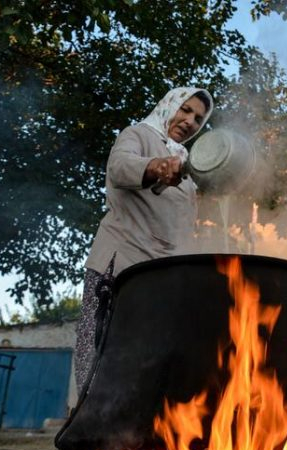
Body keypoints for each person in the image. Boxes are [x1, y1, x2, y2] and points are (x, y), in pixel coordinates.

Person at [74, 87, 213, 390]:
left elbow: (185, 228)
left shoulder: (187, 162)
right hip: (118, 263)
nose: (190, 121)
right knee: (99, 345)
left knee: (145, 354)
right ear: (169, 105)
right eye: (185, 110)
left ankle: (133, 426)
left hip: (160, 273)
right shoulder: (138, 134)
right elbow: (119, 167)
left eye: (199, 119)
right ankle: (84, 419)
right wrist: (157, 166)